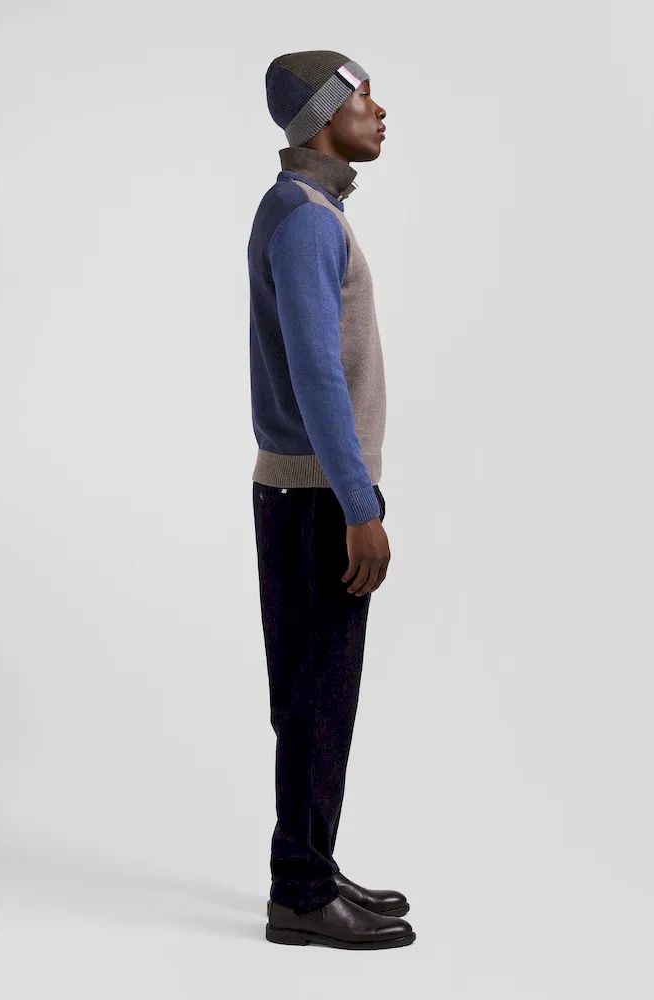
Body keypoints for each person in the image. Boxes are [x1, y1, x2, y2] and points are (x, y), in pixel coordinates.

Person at [248, 49, 415, 950]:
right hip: (318, 498)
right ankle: (302, 894)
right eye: (363, 98)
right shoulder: (307, 220)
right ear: (322, 116)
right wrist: (360, 506)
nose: (379, 112)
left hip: (303, 492)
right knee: (318, 698)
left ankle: (310, 865)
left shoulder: (303, 210)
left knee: (313, 695)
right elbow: (317, 377)